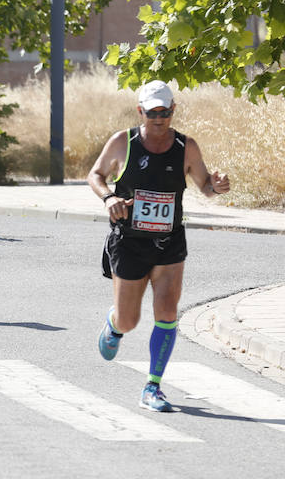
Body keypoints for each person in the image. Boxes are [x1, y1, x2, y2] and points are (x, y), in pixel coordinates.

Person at [88, 80, 230, 412]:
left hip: (169, 243)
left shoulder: (186, 146)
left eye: (165, 112)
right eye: (153, 113)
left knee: (166, 311)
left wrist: (217, 186)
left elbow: (204, 185)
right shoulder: (123, 143)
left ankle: (153, 387)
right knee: (129, 320)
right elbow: (95, 175)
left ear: (173, 111)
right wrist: (108, 197)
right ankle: (114, 324)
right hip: (129, 241)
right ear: (141, 111)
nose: (159, 119)